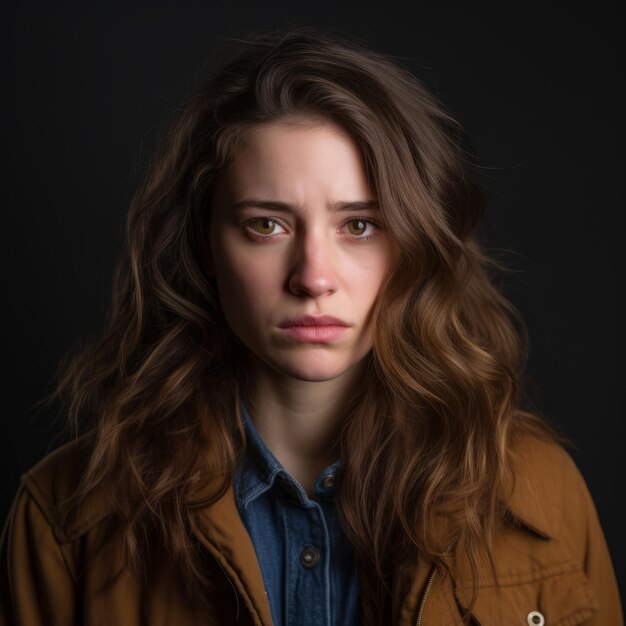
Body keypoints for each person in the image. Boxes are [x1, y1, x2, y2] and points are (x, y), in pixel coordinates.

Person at [0, 27, 622, 626]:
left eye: (360, 225)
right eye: (267, 224)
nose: (313, 277)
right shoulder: (67, 517)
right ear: (203, 246)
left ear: (417, 246)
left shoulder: (540, 495)